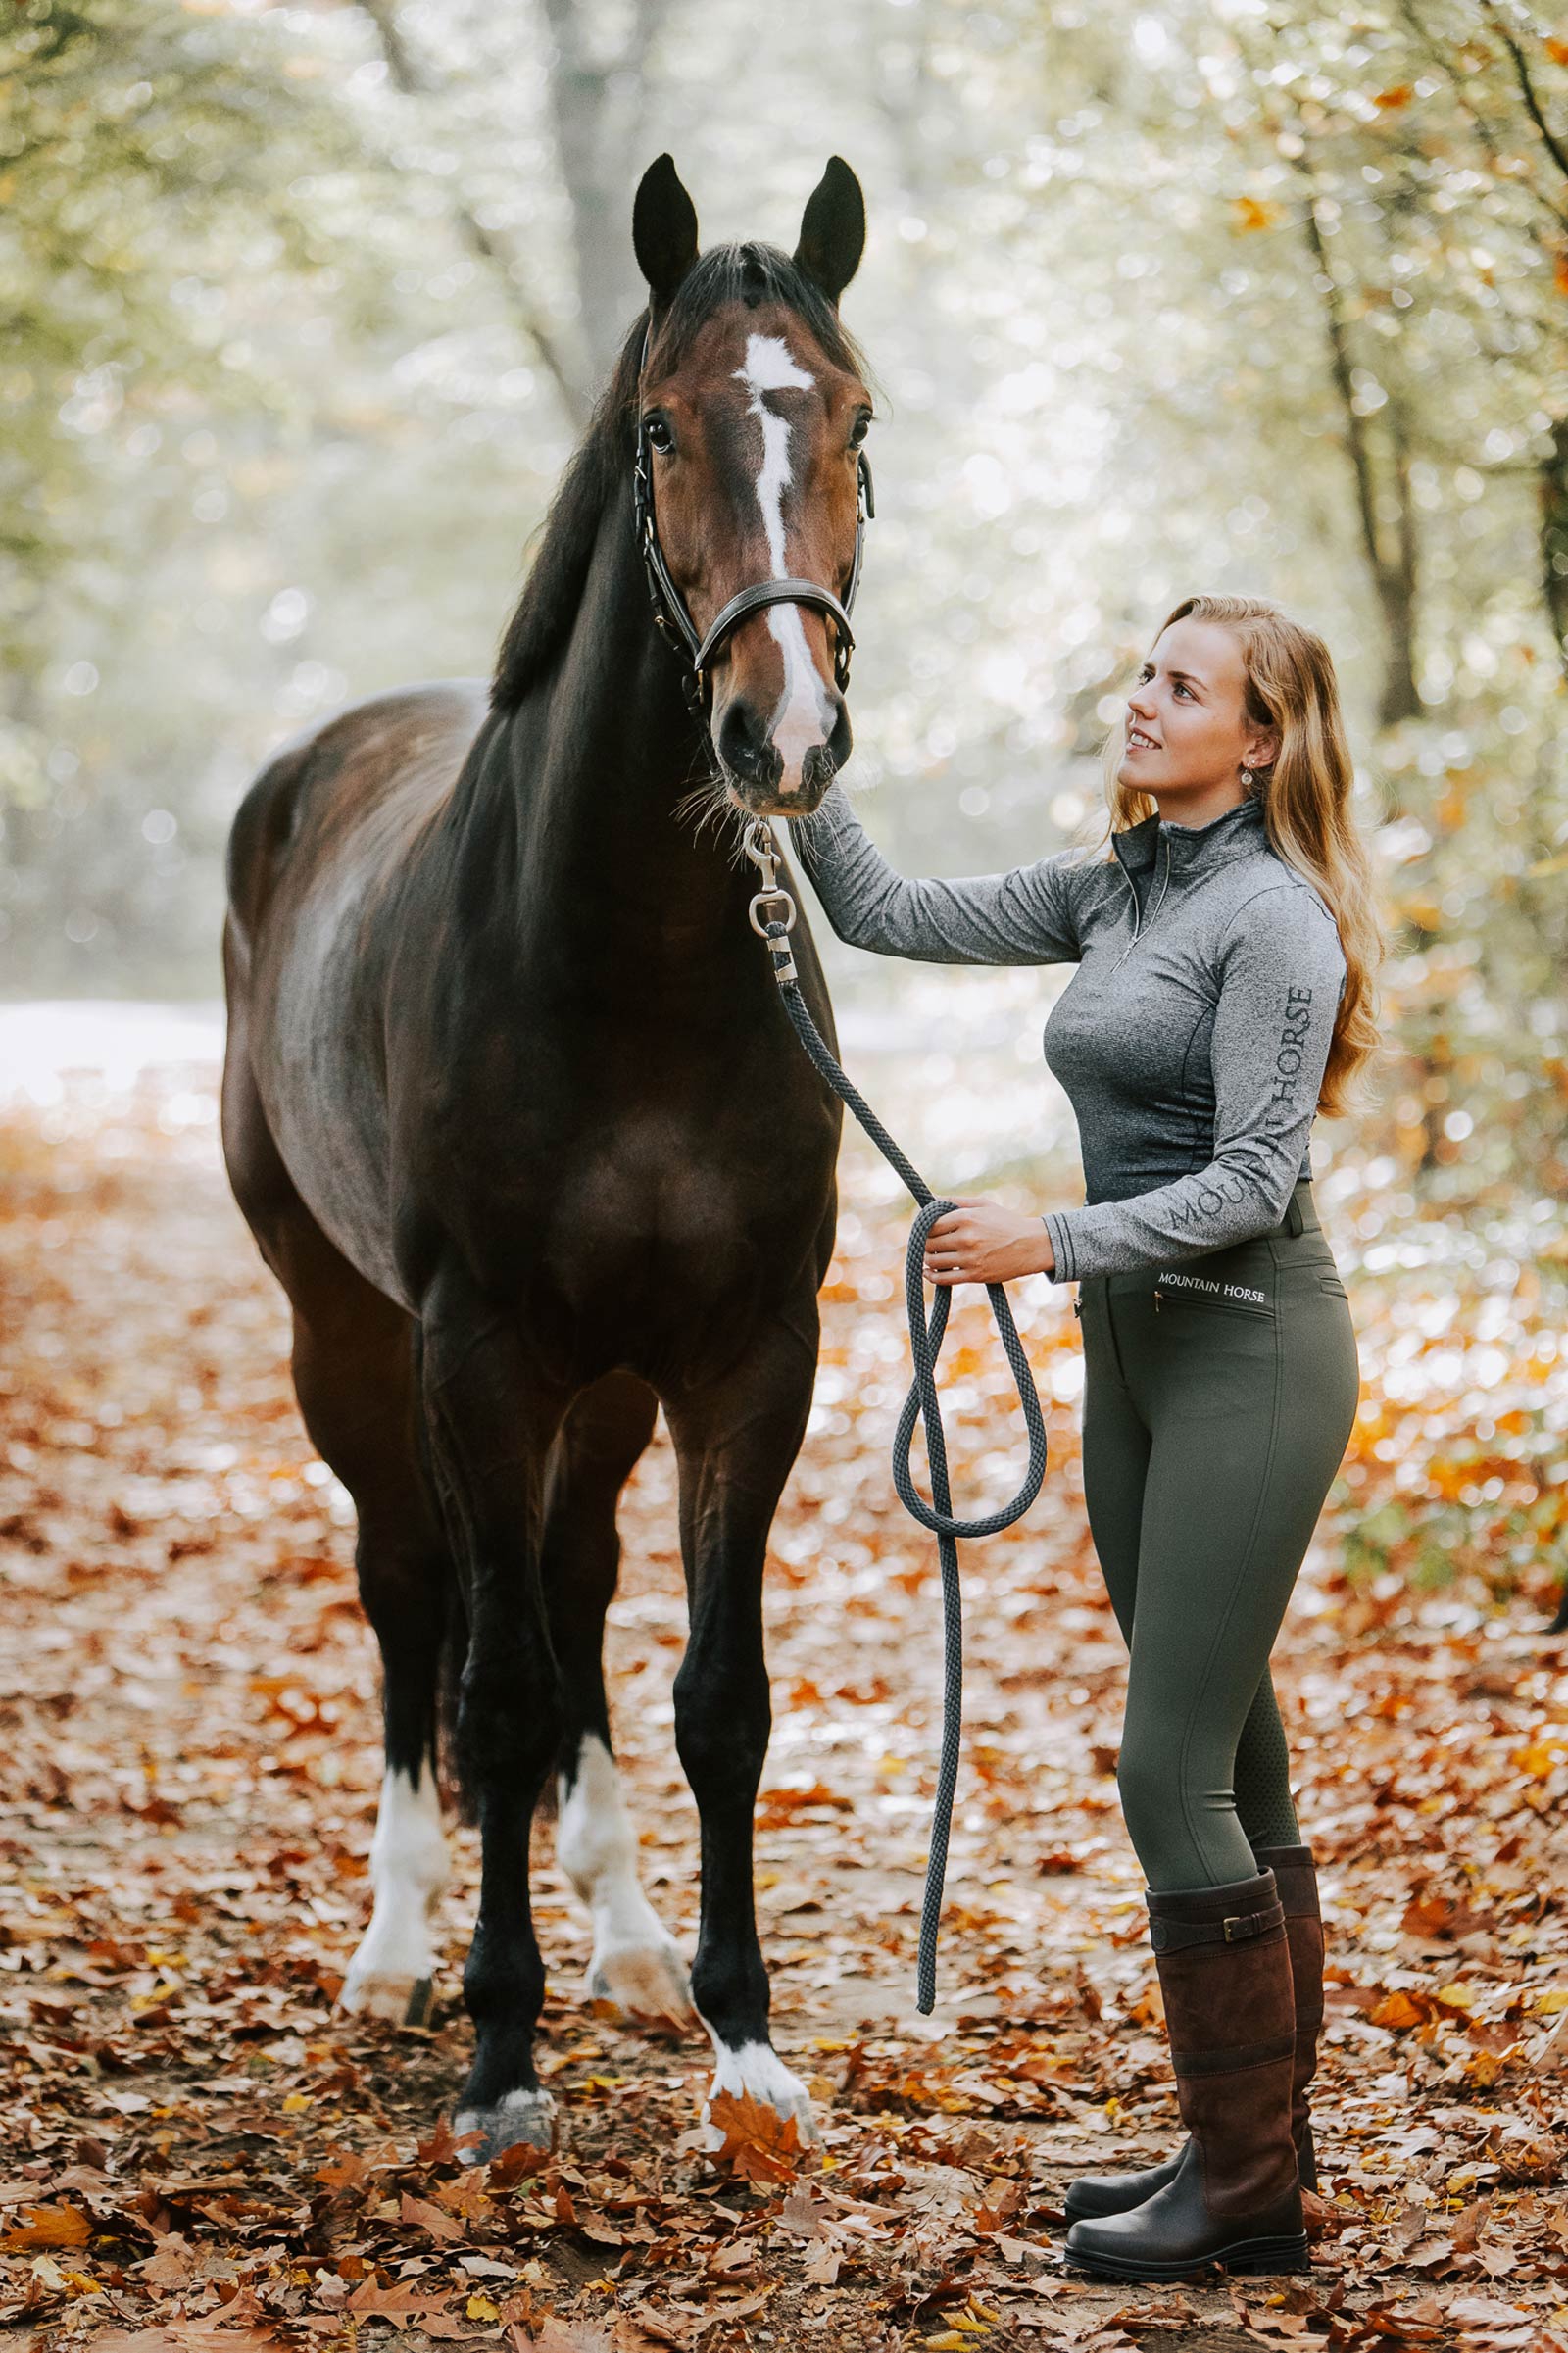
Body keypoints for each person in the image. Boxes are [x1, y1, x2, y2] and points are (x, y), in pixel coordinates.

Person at [789, 594, 1383, 2282]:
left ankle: (1246, 2188)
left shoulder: (1275, 918)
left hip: (1251, 1351)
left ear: (1258, 741)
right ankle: (1251, 2139)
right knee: (1236, 1757)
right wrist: (795, 733)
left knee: (1163, 1768)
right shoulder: (1120, 885)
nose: (1142, 700)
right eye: (1146, 672)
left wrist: (1046, 1239)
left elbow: (1258, 1179)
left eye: (1183, 687)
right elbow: (887, 904)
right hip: (1132, 1362)